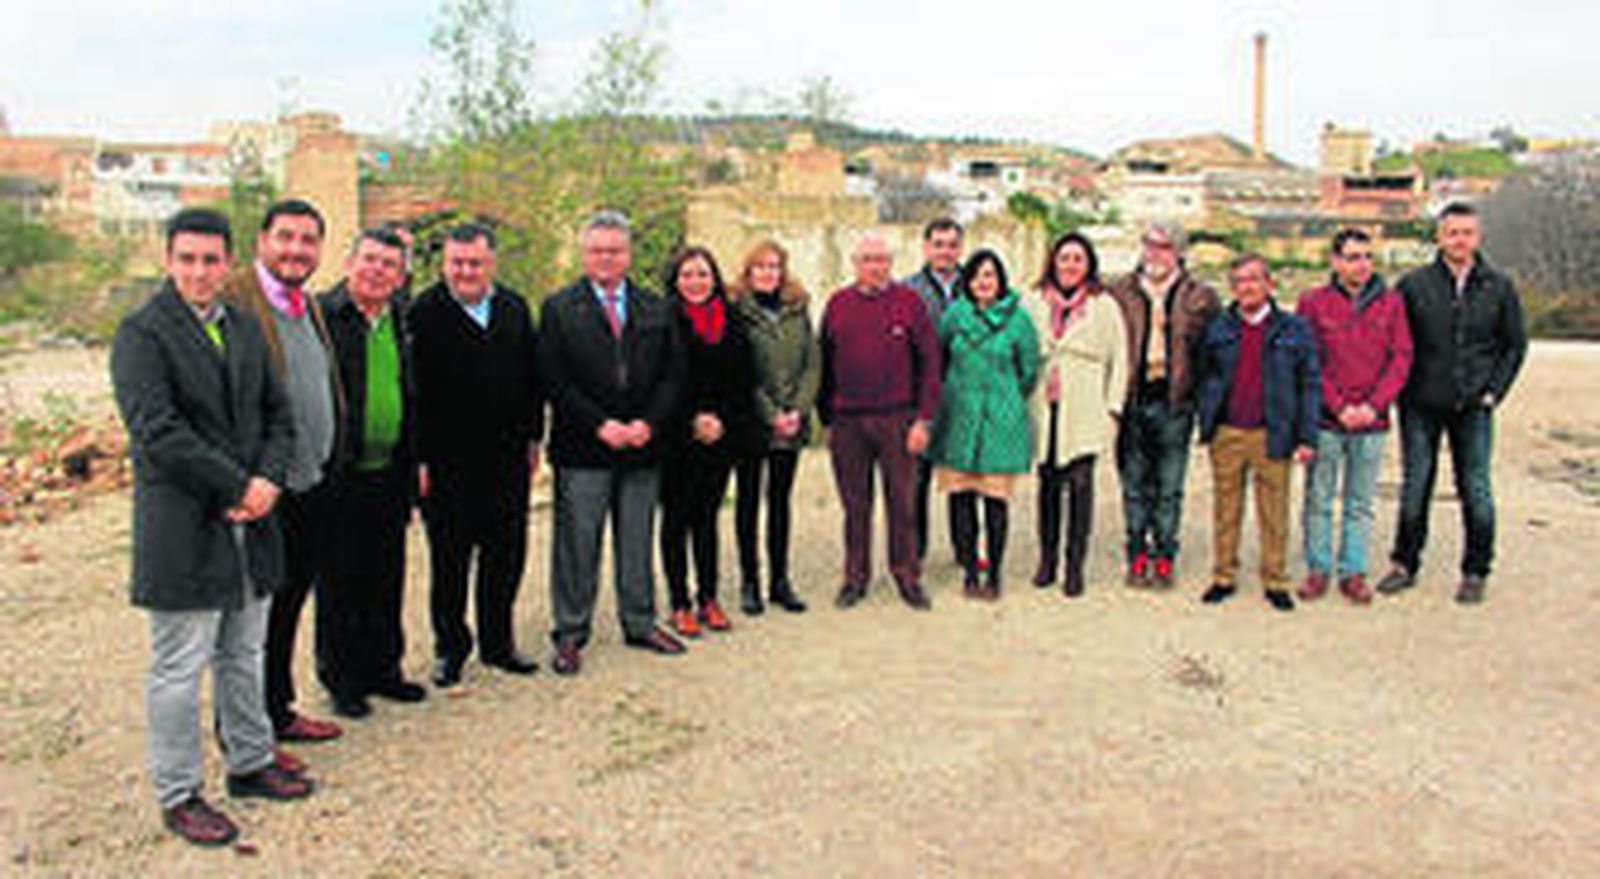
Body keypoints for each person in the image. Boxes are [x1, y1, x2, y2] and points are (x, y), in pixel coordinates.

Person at [112, 208, 312, 847]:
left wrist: (268, 483)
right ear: (168, 260)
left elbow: (279, 417)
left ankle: (250, 762)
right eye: (187, 258)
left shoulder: (245, 329)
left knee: (243, 651)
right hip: (187, 522)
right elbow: (158, 432)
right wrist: (237, 485)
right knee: (178, 666)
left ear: (228, 263)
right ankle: (179, 794)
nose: (200, 271)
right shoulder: (142, 335)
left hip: (251, 518)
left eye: (210, 259)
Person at [540, 211, 688, 676]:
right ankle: (570, 631)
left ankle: (640, 622)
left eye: (615, 250)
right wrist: (598, 424)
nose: (606, 258)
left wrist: (650, 422)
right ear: (585, 254)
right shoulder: (559, 308)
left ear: (629, 254)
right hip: (584, 447)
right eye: (598, 250)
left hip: (643, 445)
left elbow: (673, 373)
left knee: (637, 539)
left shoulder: (656, 307)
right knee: (577, 543)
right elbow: (553, 377)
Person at [221, 199, 345, 739]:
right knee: (249, 621)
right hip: (260, 488)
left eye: (307, 240)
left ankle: (277, 709)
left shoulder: (305, 305)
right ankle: (242, 732)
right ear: (261, 243)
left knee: (289, 606)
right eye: (286, 238)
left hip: (308, 483)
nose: (296, 250)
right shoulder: (234, 302)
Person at [409, 223, 544, 687]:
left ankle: (498, 642)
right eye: (457, 263)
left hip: (507, 459)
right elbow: (414, 394)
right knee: (450, 561)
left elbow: (532, 379)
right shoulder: (423, 312)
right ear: (444, 264)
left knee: (505, 555)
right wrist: (420, 459)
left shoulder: (513, 307)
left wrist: (534, 438)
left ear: (492, 264)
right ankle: (451, 647)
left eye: (475, 263)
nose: (466, 271)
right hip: (447, 464)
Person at [1376, 202, 1527, 604]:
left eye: (1467, 232)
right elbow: (1395, 342)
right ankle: (1404, 563)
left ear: (1478, 237)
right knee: (1416, 485)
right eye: (1452, 232)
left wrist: (1495, 390)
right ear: (1439, 237)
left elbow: (1514, 345)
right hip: (1421, 402)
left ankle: (1476, 569)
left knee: (1475, 487)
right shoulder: (1414, 285)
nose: (1460, 240)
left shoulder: (1498, 285)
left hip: (1475, 403)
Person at [315, 228, 428, 712]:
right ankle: (343, 680)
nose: (377, 270)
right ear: (349, 263)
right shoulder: (322, 316)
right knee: (340, 580)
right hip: (341, 472)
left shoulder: (400, 319)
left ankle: (385, 669)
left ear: (401, 275)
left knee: (386, 576)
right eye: (370, 260)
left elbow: (413, 393)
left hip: (391, 471)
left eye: (389, 264)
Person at [819, 233, 941, 610]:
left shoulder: (910, 303)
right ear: (855, 263)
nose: (875, 267)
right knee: (856, 506)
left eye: (882, 260)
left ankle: (906, 574)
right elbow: (823, 362)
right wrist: (826, 418)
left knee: (901, 503)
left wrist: (923, 420)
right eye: (868, 259)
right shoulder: (838, 304)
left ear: (891, 263)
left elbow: (930, 365)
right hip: (848, 421)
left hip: (898, 418)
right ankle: (855, 577)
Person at [1195, 255, 1320, 612]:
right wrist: (1209, 418)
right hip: (1228, 432)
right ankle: (1223, 575)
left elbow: (1309, 383)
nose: (1245, 287)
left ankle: (1275, 578)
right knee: (1226, 509)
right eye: (1238, 281)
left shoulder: (1294, 329)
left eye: (1252, 280)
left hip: (1274, 432)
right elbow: (1206, 375)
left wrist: (1306, 436)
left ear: (1269, 285)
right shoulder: (1218, 328)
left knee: (1274, 511)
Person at [1296, 229, 1413, 605]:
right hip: (1327, 421)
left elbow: (1401, 358)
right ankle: (1317, 568)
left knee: (1360, 501)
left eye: (1366, 257)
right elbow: (1309, 360)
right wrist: (1339, 406)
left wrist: (1373, 406)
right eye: (1351, 257)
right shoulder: (1313, 303)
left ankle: (1353, 571)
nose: (1360, 265)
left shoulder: (1393, 303)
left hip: (1372, 423)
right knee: (1319, 498)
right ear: (1335, 261)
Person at [1109, 221, 1221, 589]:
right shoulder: (1119, 292)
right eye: (1150, 244)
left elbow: (1212, 356)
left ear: (1179, 252)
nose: (1155, 253)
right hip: (1132, 399)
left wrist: (1205, 406)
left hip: (1175, 402)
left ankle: (1165, 554)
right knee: (1134, 484)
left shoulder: (1200, 296)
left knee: (1170, 486)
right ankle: (1137, 551)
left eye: (1164, 246)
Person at [658, 246, 761, 637]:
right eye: (687, 275)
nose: (695, 282)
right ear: (675, 280)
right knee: (675, 520)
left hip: (721, 436)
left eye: (702, 274)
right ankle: (679, 602)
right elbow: (660, 378)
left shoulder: (732, 321)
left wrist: (721, 421)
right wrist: (691, 419)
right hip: (677, 437)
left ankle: (709, 598)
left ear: (714, 278)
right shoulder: (663, 319)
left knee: (706, 519)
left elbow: (744, 380)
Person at [927, 249, 1039, 599]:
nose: (983, 283)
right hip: (959, 415)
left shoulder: (1018, 321)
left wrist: (1004, 396)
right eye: (976, 276)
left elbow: (1029, 370)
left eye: (989, 276)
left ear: (1000, 280)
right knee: (960, 500)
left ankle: (995, 573)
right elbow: (940, 359)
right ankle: (970, 569)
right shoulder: (954, 316)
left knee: (994, 501)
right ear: (968, 281)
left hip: (1000, 420)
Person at [1025, 232, 1127, 598]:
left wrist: (1113, 410)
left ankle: (1074, 566)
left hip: (1085, 405)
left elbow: (1120, 361)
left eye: (1077, 259)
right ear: (1053, 261)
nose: (1070, 265)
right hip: (1044, 405)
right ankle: (1047, 560)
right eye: (1064, 258)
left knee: (1081, 487)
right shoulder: (1033, 301)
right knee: (1047, 486)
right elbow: (1022, 352)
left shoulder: (1105, 306)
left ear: (1089, 265)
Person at [730, 240, 821, 616]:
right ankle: (750, 582)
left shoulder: (798, 310)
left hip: (792, 423)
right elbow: (739, 372)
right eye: (761, 267)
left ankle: (779, 581)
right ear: (749, 273)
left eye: (774, 267)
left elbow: (813, 364)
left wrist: (798, 410)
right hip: (753, 423)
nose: (768, 273)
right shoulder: (736, 311)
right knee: (748, 502)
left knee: (780, 502)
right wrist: (771, 414)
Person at [902, 218, 966, 563]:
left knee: (963, 480)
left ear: (961, 248)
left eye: (952, 244)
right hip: (919, 398)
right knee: (916, 482)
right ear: (926, 248)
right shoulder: (907, 290)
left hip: (965, 396)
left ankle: (965, 550)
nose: (945, 251)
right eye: (938, 244)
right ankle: (915, 553)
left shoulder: (977, 286)